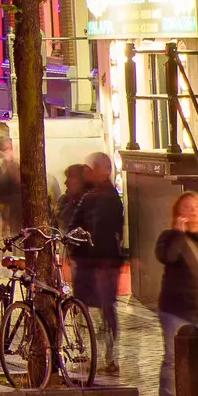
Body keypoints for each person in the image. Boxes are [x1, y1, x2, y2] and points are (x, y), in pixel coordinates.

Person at [69, 152, 126, 374]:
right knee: (97, 306)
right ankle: (97, 352)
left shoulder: (102, 198)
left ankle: (101, 353)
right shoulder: (96, 195)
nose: (87, 172)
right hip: (98, 261)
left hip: (99, 262)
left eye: (91, 168)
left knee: (100, 307)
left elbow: (94, 228)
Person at [160, 193, 198, 396]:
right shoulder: (169, 237)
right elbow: (168, 257)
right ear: (178, 212)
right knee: (172, 357)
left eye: (196, 206)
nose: (193, 211)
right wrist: (178, 234)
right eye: (187, 207)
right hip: (175, 308)